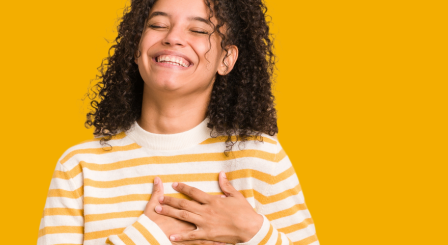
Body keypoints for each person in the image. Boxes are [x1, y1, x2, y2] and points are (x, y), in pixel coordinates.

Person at [37, 0, 318, 244]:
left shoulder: (261, 159)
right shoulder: (79, 168)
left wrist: (252, 230)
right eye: (158, 25)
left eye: (198, 30)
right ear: (136, 48)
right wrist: (147, 237)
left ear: (227, 59)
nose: (173, 38)